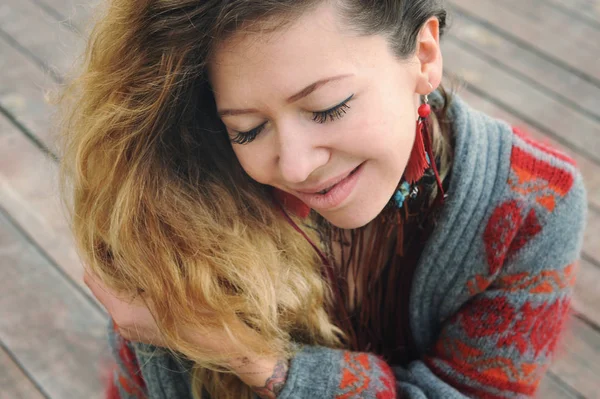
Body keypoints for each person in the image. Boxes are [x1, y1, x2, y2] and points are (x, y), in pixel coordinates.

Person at [58, 0, 587, 398]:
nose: (294, 165)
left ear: (424, 56)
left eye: (328, 108)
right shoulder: (182, 202)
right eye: (247, 130)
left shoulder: (535, 205)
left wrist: (252, 358)